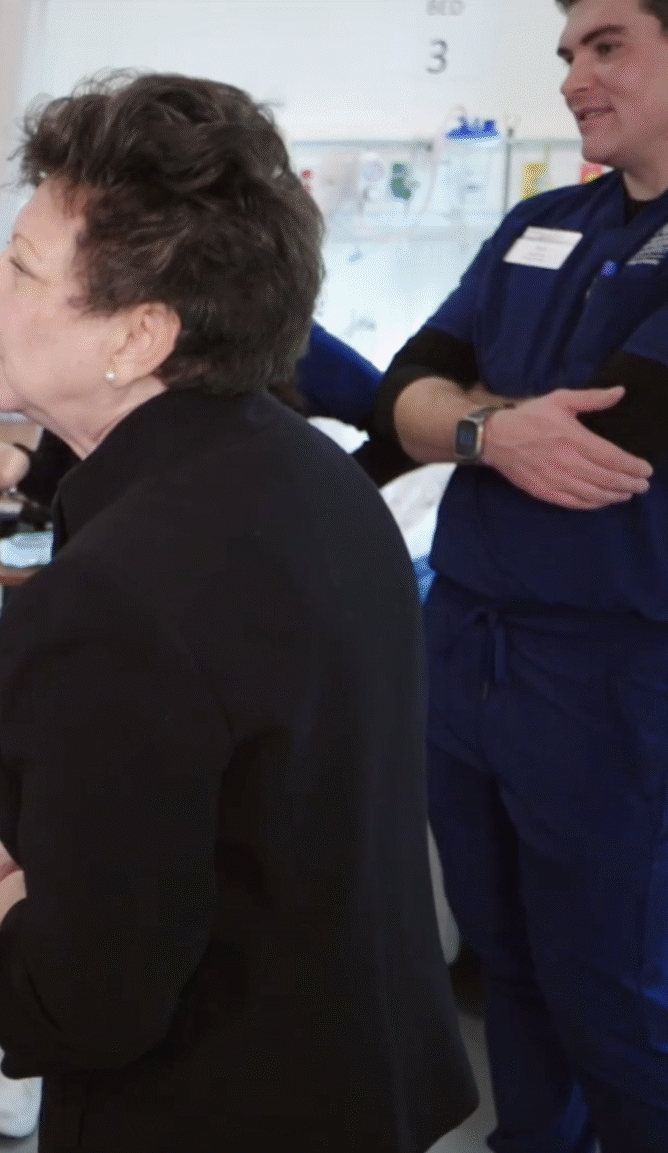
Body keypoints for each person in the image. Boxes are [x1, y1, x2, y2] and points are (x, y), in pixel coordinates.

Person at [0, 71, 477, 1151]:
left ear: (136, 335)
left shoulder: (117, 594)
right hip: (353, 1076)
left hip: (212, 1101)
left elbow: (82, 1001)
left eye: (18, 264)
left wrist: (10, 919)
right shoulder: (314, 477)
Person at [369, 1, 668, 1147]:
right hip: (473, 651)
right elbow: (403, 394)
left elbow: (621, 434)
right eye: (564, 54)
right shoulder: (538, 225)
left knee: (614, 994)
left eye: (604, 47)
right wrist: (490, 433)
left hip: (612, 678)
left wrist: (460, 419)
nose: (570, 78)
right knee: (509, 971)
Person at [0, 321, 391, 506]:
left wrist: (330, 500)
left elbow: (397, 426)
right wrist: (22, 467)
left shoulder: (294, 346)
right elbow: (66, 479)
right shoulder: (112, 339)